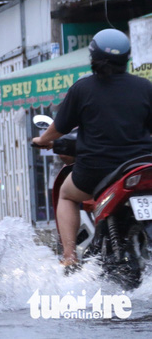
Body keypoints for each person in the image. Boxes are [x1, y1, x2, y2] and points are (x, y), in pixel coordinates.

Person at [32, 29, 152, 269]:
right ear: (126, 58)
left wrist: (42, 139)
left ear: (92, 57)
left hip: (97, 170)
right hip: (143, 165)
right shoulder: (145, 87)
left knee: (66, 195)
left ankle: (69, 257)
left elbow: (60, 127)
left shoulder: (82, 89)